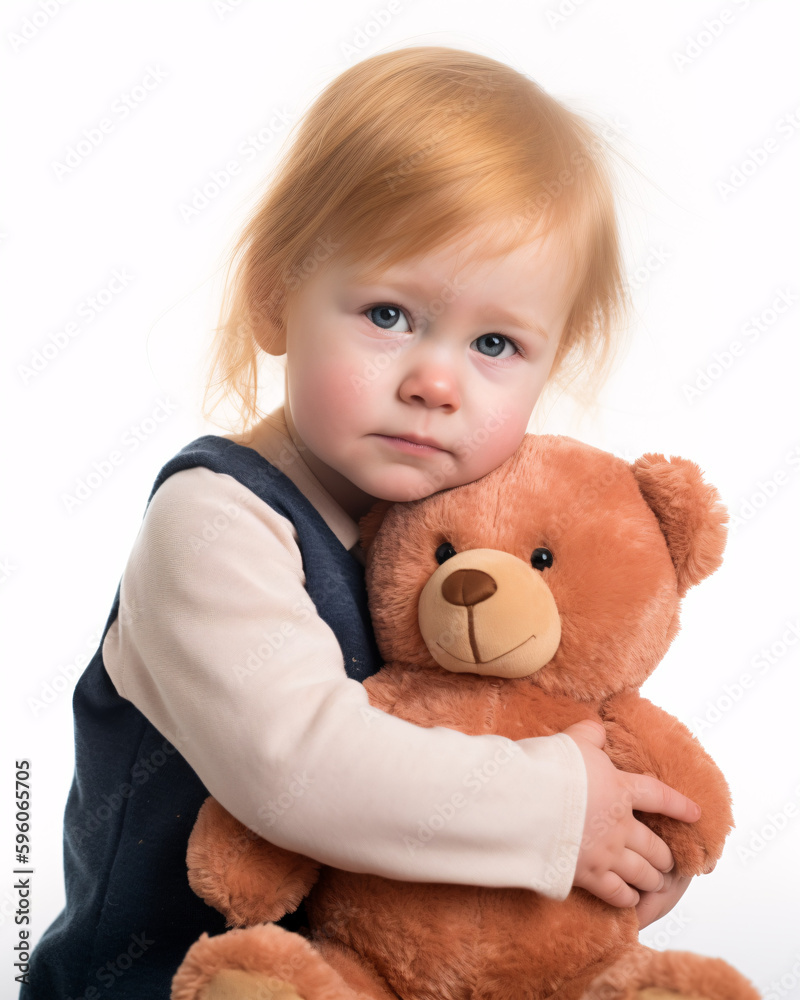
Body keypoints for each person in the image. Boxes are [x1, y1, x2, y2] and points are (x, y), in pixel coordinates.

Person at [22, 45, 699, 1000]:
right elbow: (299, 767)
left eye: (496, 343)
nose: (435, 380)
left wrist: (627, 843)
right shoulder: (215, 523)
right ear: (274, 297)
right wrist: (553, 810)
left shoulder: (458, 527)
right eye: (388, 313)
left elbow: (536, 707)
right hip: (171, 978)